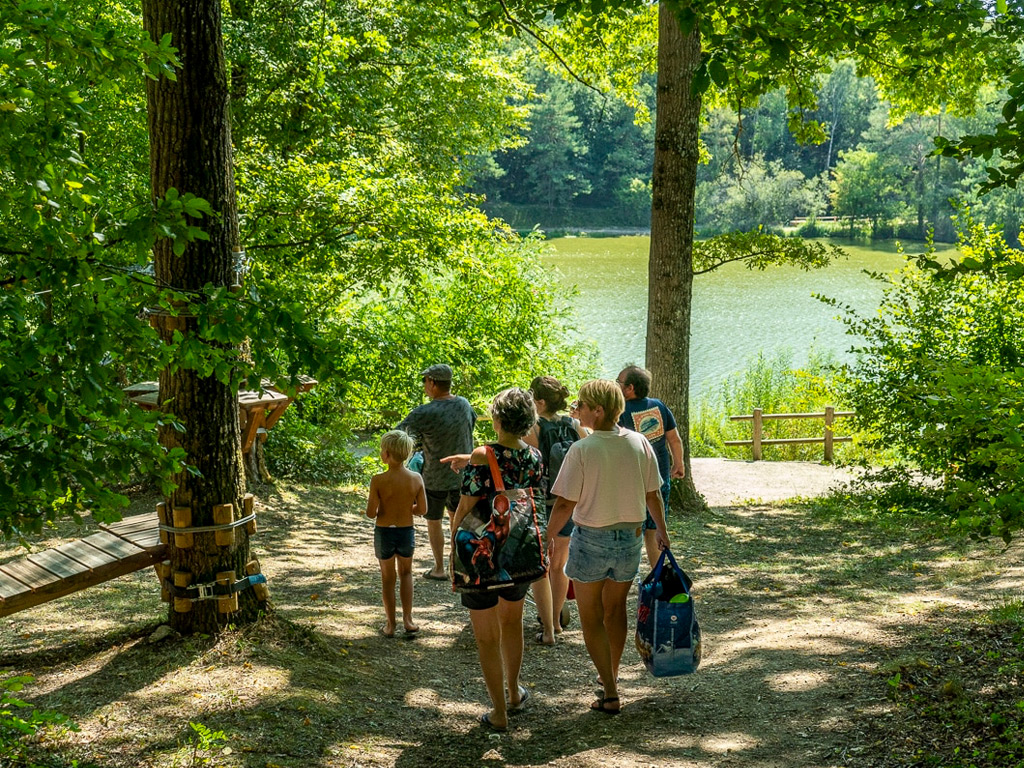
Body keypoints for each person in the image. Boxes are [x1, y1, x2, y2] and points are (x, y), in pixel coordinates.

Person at [548, 379, 670, 715]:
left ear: (598, 410)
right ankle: (610, 677)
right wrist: (662, 531)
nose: (578, 409)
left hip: (591, 540)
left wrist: (548, 535)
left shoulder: (583, 449)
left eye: (582, 405)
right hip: (629, 540)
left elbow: (564, 504)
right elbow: (653, 494)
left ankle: (611, 690)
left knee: (591, 617)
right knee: (615, 611)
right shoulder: (639, 443)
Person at [449, 388, 543, 731]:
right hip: (518, 554)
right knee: (512, 624)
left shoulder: (481, 454)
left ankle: (499, 712)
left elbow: (466, 505)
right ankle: (514, 693)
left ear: (498, 419)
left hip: (480, 552)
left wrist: (452, 544)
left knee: (486, 636)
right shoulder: (534, 456)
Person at [397, 364, 476, 580]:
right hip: (463, 475)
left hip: (434, 477)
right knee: (457, 520)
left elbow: (398, 433)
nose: (424, 385)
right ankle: (456, 565)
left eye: (425, 381)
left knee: (434, 521)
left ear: (432, 383)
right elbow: (472, 424)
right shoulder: (464, 404)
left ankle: (439, 567)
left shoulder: (425, 412)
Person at [524, 375, 586, 645]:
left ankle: (547, 625)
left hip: (541, 504)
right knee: (559, 565)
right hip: (569, 502)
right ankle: (558, 624)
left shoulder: (532, 428)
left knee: (541, 565)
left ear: (539, 401)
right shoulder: (574, 425)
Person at [616, 365, 686, 566]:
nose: (616, 385)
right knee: (655, 527)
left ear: (629, 388)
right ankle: (657, 571)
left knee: (634, 527)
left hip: (632, 481)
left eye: (618, 382)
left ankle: (630, 570)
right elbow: (674, 439)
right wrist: (678, 463)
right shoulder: (659, 406)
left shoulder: (621, 412)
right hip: (660, 476)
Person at [365, 430, 428, 637]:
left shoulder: (378, 480)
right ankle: (408, 620)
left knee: (387, 577)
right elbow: (423, 509)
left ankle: (390, 625)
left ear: (387, 454)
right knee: (406, 573)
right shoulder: (416, 478)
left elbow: (371, 513)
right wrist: (405, 508)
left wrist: (386, 507)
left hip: (384, 533)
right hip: (406, 532)